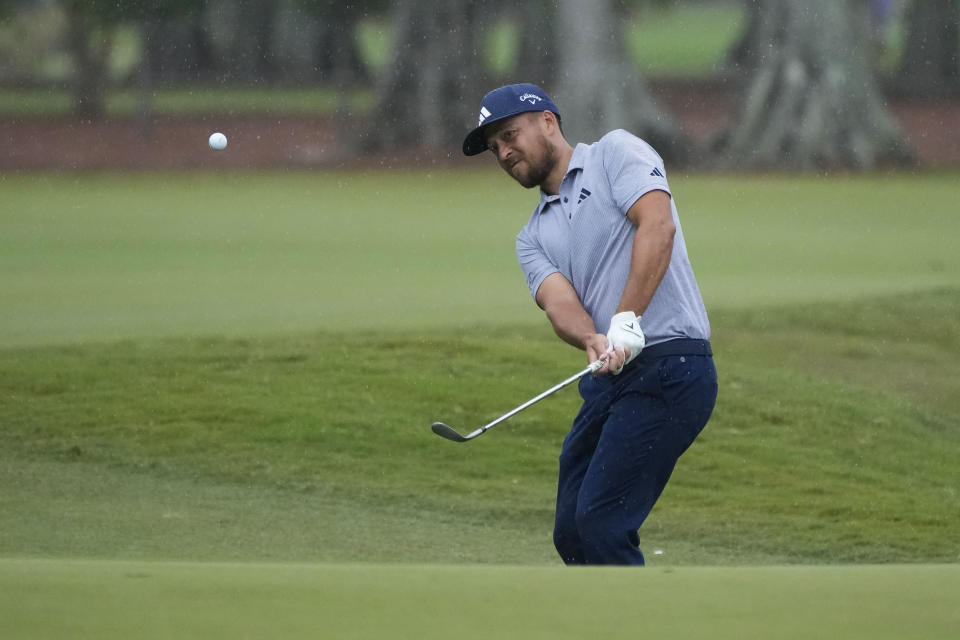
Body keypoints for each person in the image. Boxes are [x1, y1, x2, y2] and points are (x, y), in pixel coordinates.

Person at [462, 83, 718, 566]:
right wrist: (591, 336)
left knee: (602, 522)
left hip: (672, 364)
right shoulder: (532, 236)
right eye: (495, 147)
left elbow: (657, 224)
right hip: (610, 375)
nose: (504, 152)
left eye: (509, 135)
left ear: (548, 122)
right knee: (572, 532)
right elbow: (559, 303)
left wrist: (627, 318)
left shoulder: (615, 153)